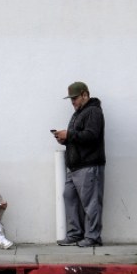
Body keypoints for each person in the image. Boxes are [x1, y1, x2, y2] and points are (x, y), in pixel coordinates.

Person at [52, 81, 105, 247]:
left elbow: (92, 136)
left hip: (89, 165)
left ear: (85, 94)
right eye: (71, 99)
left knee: (91, 203)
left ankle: (93, 237)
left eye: (75, 98)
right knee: (69, 196)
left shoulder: (94, 111)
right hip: (75, 166)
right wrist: (65, 139)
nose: (72, 102)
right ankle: (76, 233)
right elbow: (79, 137)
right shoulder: (79, 112)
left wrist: (69, 135)